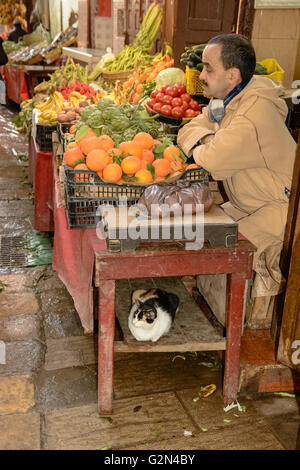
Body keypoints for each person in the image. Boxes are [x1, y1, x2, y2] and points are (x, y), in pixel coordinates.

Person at [177, 33, 297, 325]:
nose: (201, 75)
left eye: (208, 68)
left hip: (283, 211)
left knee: (212, 241)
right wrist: (210, 137)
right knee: (195, 228)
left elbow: (212, 161)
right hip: (252, 201)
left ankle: (248, 327)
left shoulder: (254, 111)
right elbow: (189, 128)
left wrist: (206, 141)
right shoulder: (233, 97)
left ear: (232, 75)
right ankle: (216, 310)